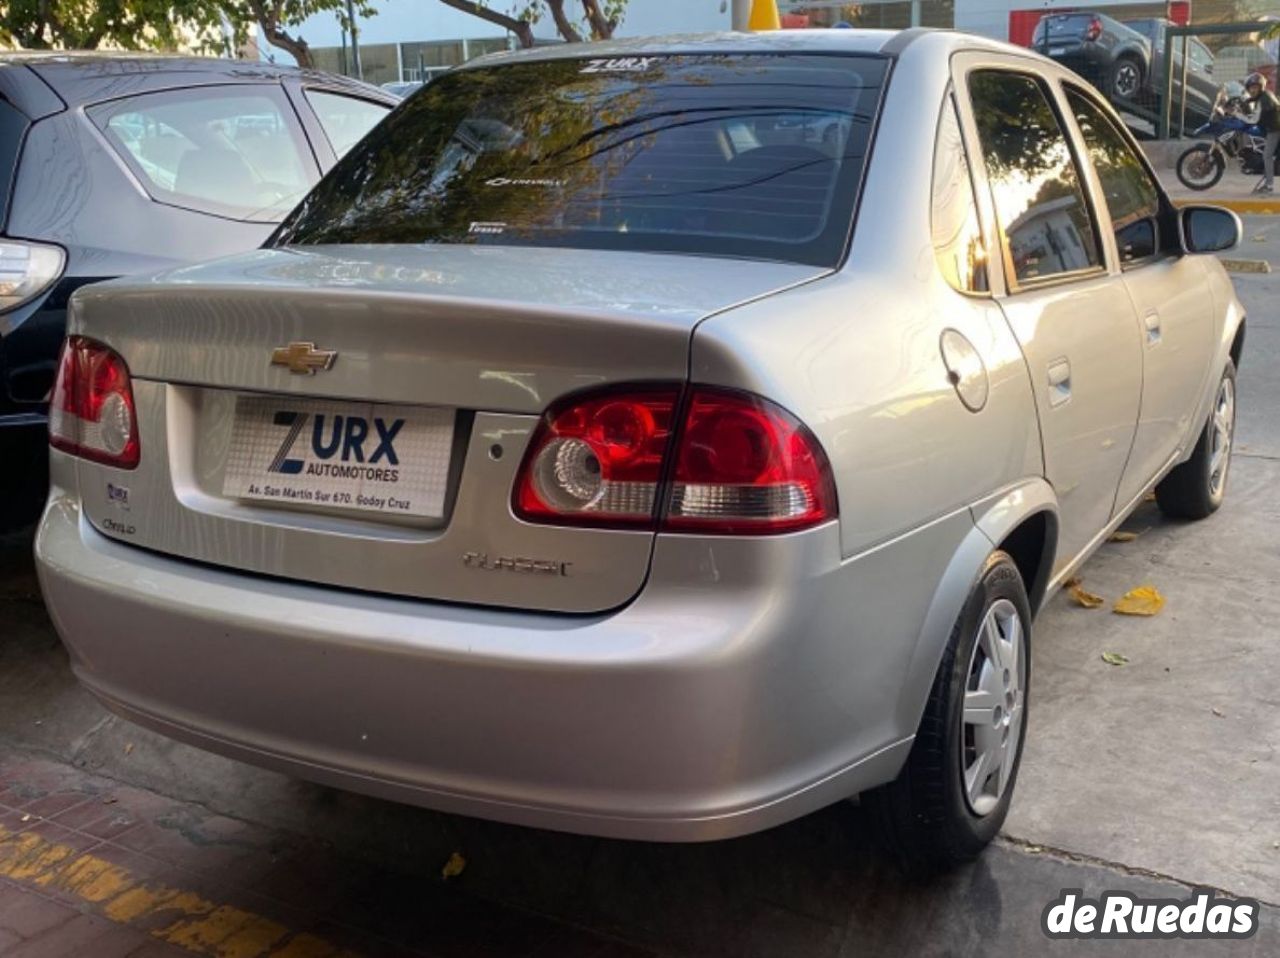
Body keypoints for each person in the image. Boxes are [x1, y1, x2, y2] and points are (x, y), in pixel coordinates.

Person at [1245, 72, 1280, 192]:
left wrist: (1237, 114)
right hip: (1273, 129)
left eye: (1255, 87)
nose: (1252, 90)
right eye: (1251, 88)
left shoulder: (1264, 99)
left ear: (1261, 87)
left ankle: (1269, 185)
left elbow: (1254, 119)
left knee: (1267, 156)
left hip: (1275, 131)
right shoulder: (1264, 96)